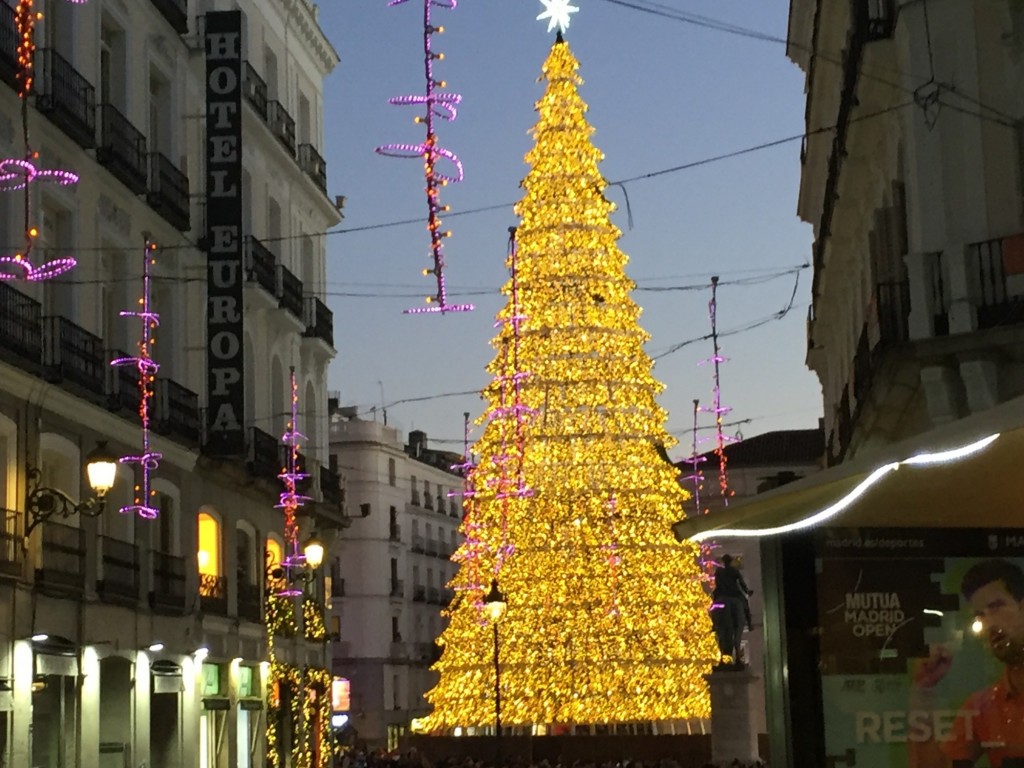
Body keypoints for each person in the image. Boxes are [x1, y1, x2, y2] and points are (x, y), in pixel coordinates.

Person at [909, 558, 1024, 767]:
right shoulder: (984, 706)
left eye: (996, 606)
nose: (988, 623)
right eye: (980, 615)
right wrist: (922, 692)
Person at [711, 553, 753, 669]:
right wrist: (746, 591)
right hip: (734, 595)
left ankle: (714, 624)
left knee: (714, 605)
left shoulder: (719, 572)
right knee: (745, 604)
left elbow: (717, 585)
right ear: (730, 561)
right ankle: (749, 623)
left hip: (722, 594)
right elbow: (741, 583)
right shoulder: (734, 571)